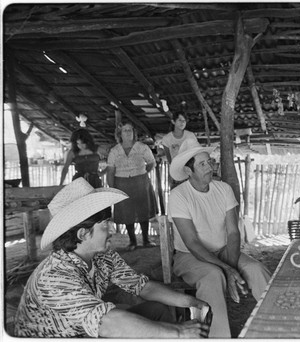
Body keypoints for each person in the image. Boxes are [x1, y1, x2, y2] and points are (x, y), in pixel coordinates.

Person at [14, 178, 210, 338]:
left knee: (156, 311)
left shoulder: (103, 256)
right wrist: (178, 332)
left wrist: (190, 302)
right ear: (83, 234)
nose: (112, 229)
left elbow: (143, 287)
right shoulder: (54, 277)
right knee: (140, 325)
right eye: (105, 225)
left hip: (86, 330)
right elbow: (106, 323)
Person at [167, 139, 271, 338]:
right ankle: (218, 337)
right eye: (202, 164)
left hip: (225, 252)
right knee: (213, 276)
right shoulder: (178, 196)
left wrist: (230, 268)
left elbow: (233, 233)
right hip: (189, 256)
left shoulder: (223, 189)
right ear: (189, 171)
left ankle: (279, 324)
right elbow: (192, 242)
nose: (210, 167)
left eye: (210, 162)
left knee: (257, 269)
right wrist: (227, 270)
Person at [106, 123, 157, 250]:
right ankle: (132, 242)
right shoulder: (115, 151)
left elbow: (151, 163)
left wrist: (141, 173)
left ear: (134, 133)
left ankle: (146, 240)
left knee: (142, 210)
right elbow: (110, 171)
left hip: (140, 182)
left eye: (130, 130)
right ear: (120, 134)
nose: (128, 132)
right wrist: (112, 188)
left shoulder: (142, 147)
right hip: (122, 184)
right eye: (125, 130)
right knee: (126, 211)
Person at [157, 112, 198, 189]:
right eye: (180, 120)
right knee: (177, 196)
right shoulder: (167, 139)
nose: (182, 122)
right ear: (173, 121)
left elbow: (195, 153)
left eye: (184, 120)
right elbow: (169, 158)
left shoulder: (190, 136)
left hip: (190, 173)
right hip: (175, 174)